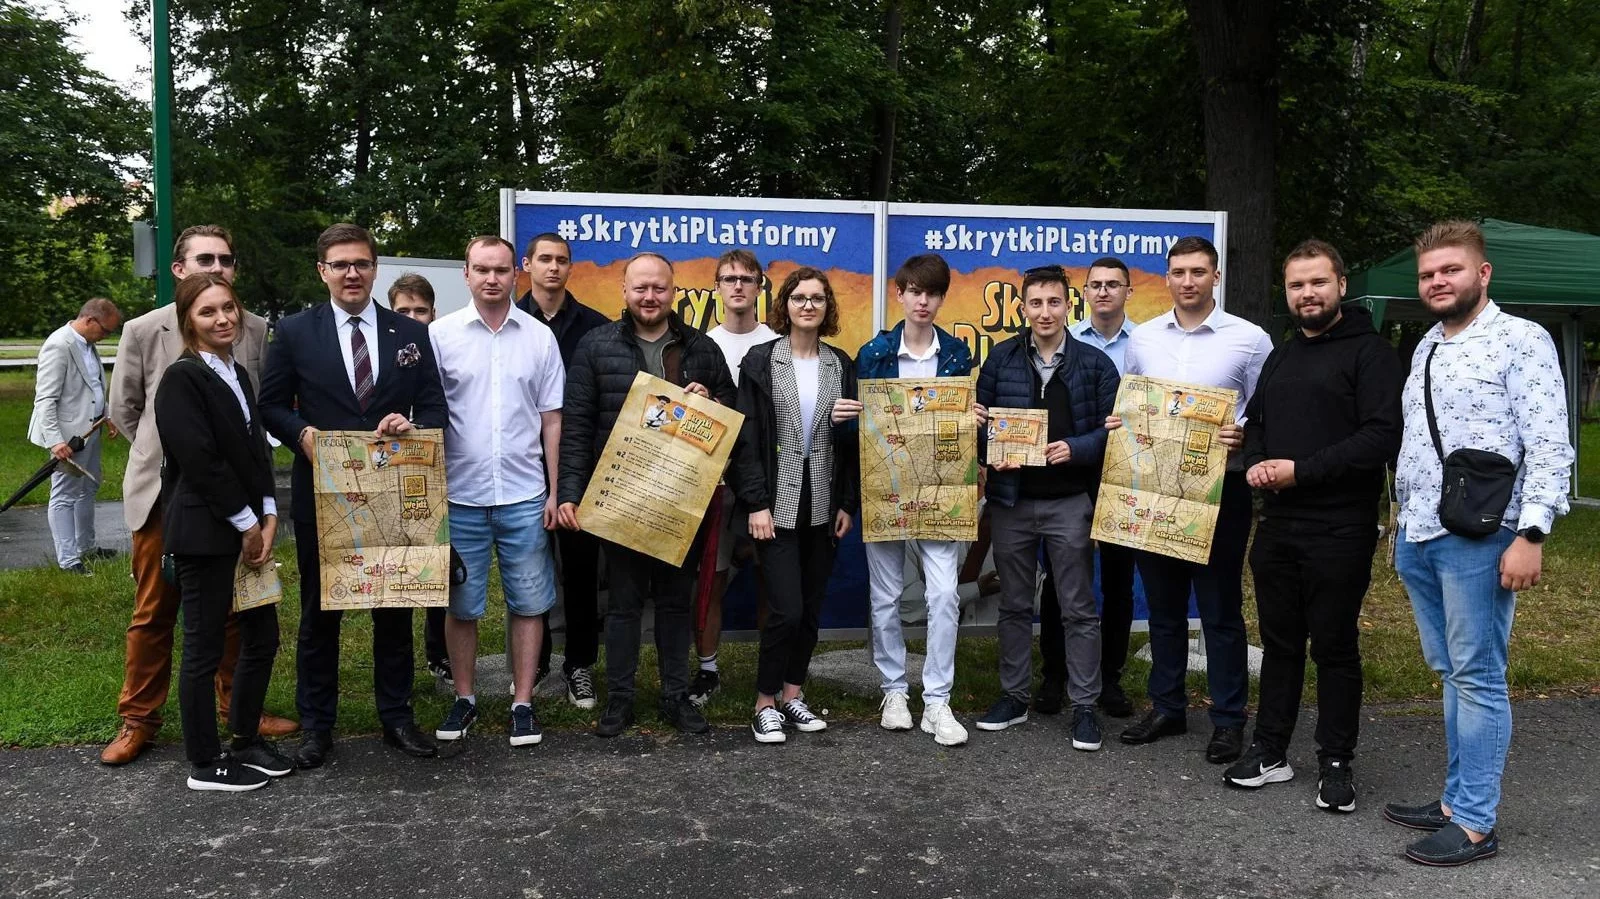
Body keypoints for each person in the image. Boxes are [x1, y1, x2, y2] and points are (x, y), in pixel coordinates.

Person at [1384, 220, 1572, 867]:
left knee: (1479, 675)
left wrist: (1533, 532)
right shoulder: (1426, 347)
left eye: (1451, 270)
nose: (1438, 281)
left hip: (1483, 537)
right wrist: (1399, 523)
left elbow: (1550, 443)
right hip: (1420, 532)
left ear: (1482, 273)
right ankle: (1454, 798)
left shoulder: (1521, 340)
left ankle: (1474, 823)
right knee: (1453, 673)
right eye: (1428, 274)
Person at [102, 225, 296, 766]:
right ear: (180, 270)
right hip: (170, 496)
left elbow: (250, 423)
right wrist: (174, 455)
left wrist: (263, 509)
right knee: (156, 612)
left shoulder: (252, 330)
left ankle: (240, 714)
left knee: (239, 615)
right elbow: (125, 410)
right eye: (205, 258)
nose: (218, 266)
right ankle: (138, 719)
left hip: (239, 500)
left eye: (226, 259)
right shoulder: (145, 331)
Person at [259, 223, 449, 768]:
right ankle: (317, 726)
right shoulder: (295, 332)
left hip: (393, 491)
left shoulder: (409, 334)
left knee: (393, 609)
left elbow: (435, 408)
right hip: (325, 492)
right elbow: (271, 405)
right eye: (340, 264)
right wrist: (303, 435)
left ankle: (397, 717)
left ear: (374, 269)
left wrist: (411, 425)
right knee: (322, 614)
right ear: (322, 271)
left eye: (361, 263)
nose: (351, 273)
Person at [1224, 240, 1403, 813]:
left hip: (1340, 527)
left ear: (1341, 286)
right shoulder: (1281, 355)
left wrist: (1300, 471)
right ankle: (1271, 750)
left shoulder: (1371, 353)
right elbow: (1257, 422)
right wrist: (1253, 456)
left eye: (1317, 283)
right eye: (1297, 285)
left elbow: (1380, 436)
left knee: (1333, 646)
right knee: (1279, 644)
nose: (1307, 294)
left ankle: (1336, 761)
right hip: (1278, 527)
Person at [556, 252, 735, 737]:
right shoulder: (596, 346)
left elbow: (731, 413)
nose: (649, 297)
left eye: (658, 288)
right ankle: (620, 700)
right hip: (623, 498)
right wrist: (570, 492)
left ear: (673, 291)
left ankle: (677, 697)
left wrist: (712, 402)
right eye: (641, 288)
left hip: (683, 500)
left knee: (677, 603)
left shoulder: (702, 349)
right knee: (623, 605)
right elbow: (576, 428)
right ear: (624, 290)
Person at [1111, 236, 1271, 764]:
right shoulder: (1144, 339)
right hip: (1154, 489)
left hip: (1219, 491)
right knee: (1163, 607)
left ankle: (1228, 720)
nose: (1187, 281)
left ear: (1215, 277)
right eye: (1178, 272)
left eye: (1198, 272)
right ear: (1167, 277)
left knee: (1220, 609)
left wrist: (1245, 433)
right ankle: (1167, 706)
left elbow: (1265, 410)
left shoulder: (1250, 340)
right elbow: (1132, 403)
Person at [975, 264, 1119, 751]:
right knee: (1014, 605)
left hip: (1069, 503)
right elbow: (981, 432)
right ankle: (1014, 697)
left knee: (1078, 608)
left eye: (1053, 302)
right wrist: (980, 429)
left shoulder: (1096, 365)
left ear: (1068, 306)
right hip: (1013, 502)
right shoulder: (1000, 360)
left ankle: (1084, 706)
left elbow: (1111, 433)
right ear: (1022, 308)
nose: (1044, 312)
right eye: (1034, 303)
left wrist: (1075, 448)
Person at [430, 237, 565, 748]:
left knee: (529, 602)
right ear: (465, 274)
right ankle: (464, 698)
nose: (492, 278)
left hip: (525, 493)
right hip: (457, 496)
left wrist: (554, 491)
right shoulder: (439, 337)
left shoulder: (539, 338)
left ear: (516, 274)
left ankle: (523, 701)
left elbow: (552, 420)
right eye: (482, 269)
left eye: (502, 270)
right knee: (461, 605)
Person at [154, 273, 286, 792]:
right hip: (205, 535)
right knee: (205, 648)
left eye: (228, 307)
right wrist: (247, 523)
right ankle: (206, 763)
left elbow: (255, 452)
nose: (223, 319)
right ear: (189, 319)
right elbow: (201, 462)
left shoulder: (237, 373)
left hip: (250, 528)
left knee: (262, 638)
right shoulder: (182, 379)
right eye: (208, 312)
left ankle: (246, 738)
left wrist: (271, 513)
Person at [729, 267, 859, 744]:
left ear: (828, 308)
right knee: (783, 608)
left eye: (818, 299)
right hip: (775, 503)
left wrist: (847, 501)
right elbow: (746, 439)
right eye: (800, 298)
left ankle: (793, 695)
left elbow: (849, 442)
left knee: (809, 608)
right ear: (784, 305)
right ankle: (764, 702)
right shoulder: (761, 361)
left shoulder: (841, 364)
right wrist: (755, 504)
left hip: (823, 501)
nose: (809, 305)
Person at [856, 253, 979, 747]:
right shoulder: (873, 353)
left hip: (939, 491)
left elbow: (959, 430)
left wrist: (973, 421)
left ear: (941, 297)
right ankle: (892, 691)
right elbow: (865, 429)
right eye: (914, 290)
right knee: (885, 597)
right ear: (899, 294)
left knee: (943, 595)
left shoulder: (957, 355)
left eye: (932, 292)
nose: (922, 300)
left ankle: (937, 700)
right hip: (884, 490)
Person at [1040, 256, 1138, 719]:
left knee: (1118, 581)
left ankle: (1109, 679)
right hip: (1073, 475)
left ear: (1127, 291)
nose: (1104, 292)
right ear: (1083, 293)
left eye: (1113, 285)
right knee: (1060, 581)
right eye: (1095, 285)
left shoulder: (1147, 343)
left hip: (1126, 477)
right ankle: (1054, 675)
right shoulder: (1066, 339)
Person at [517, 232, 610, 709]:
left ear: (571, 268)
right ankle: (534, 666)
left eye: (562, 260)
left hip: (581, 467)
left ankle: (579, 666)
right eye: (544, 259)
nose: (553, 267)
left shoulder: (595, 329)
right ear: (527, 264)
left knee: (578, 572)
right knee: (530, 571)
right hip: (518, 467)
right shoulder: (509, 324)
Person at [693, 248, 777, 707]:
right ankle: (707, 670)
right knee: (712, 578)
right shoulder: (701, 345)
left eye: (747, 278)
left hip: (765, 484)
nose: (738, 286)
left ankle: (771, 671)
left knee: (771, 579)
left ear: (760, 286)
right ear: (718, 286)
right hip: (714, 482)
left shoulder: (778, 344)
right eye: (729, 279)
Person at [386, 272, 452, 685]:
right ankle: (399, 662)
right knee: (399, 564)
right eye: (403, 310)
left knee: (437, 564)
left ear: (433, 312)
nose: (413, 317)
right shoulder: (383, 348)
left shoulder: (443, 345)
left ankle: (438, 652)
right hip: (390, 471)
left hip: (437, 469)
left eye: (420, 310)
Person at [29, 297, 121, 575]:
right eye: (104, 330)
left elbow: (93, 384)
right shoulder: (59, 345)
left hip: (90, 429)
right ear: (89, 320)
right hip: (67, 436)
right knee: (64, 495)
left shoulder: (88, 344)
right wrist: (55, 441)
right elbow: (45, 399)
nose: (105, 336)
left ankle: (86, 547)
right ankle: (69, 560)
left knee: (89, 487)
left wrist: (107, 415)